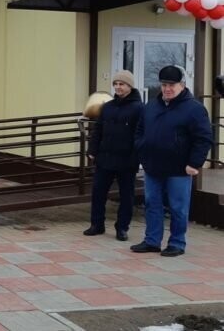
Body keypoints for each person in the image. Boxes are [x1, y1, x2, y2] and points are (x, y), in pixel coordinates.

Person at [131, 65, 213, 257]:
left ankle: (177, 242)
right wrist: (141, 148)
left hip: (179, 169)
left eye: (172, 85)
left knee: (178, 207)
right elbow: (140, 130)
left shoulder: (195, 109)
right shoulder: (151, 106)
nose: (167, 89)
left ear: (182, 85)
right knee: (152, 204)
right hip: (152, 165)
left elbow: (204, 138)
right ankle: (152, 241)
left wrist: (194, 163)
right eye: (164, 84)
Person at [84, 70, 144, 241]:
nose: (118, 87)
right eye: (116, 84)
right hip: (105, 158)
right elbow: (98, 130)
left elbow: (140, 134)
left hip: (127, 160)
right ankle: (97, 224)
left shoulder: (139, 108)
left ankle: (122, 228)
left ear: (130, 86)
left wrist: (136, 156)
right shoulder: (108, 107)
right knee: (98, 192)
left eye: (122, 84)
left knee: (126, 195)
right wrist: (92, 150)